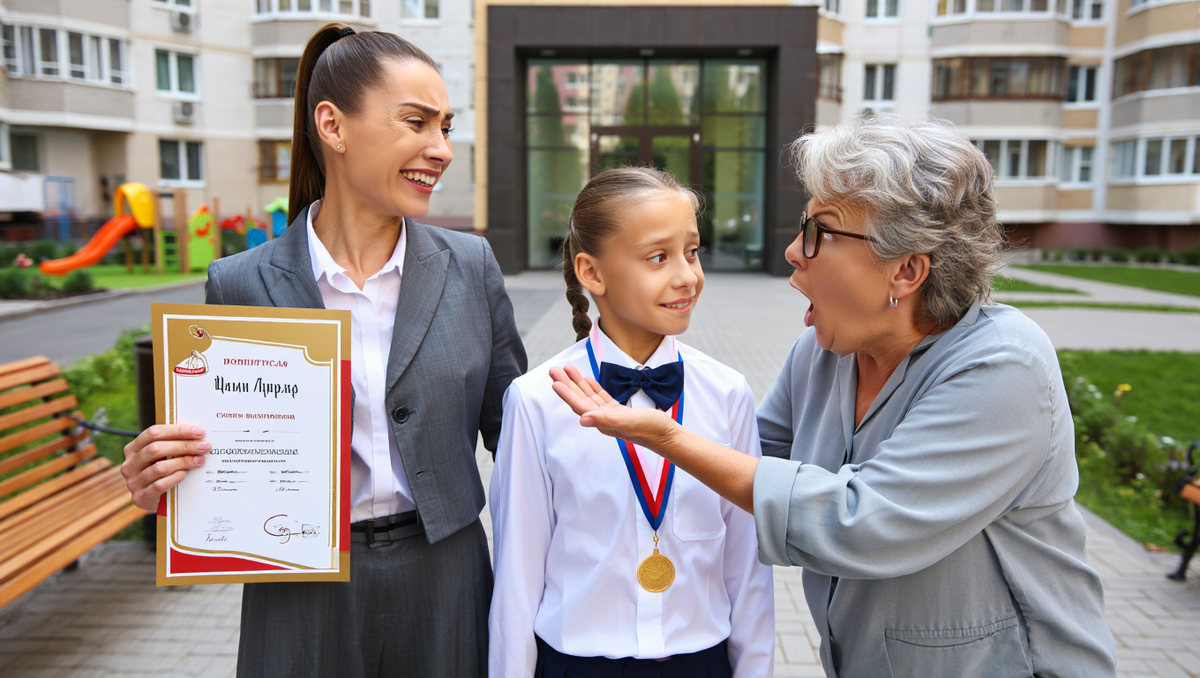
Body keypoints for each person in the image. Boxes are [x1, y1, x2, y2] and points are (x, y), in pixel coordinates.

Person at [550, 116, 1117, 677]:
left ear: (906, 270)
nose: (794, 251)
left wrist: (668, 437)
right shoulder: (823, 353)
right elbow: (742, 457)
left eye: (820, 231)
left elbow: (862, 524)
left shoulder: (1003, 365)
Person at [120, 24, 526, 677]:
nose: (442, 149)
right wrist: (162, 476)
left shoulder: (471, 266)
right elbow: (219, 457)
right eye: (417, 122)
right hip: (298, 584)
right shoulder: (239, 283)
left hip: (446, 575)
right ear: (333, 126)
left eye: (446, 127)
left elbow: (517, 435)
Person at [489, 166, 775, 678]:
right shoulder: (536, 400)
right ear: (592, 272)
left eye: (692, 251)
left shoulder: (727, 393)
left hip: (700, 662)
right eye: (658, 257)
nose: (687, 276)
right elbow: (517, 572)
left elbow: (747, 565)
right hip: (577, 665)